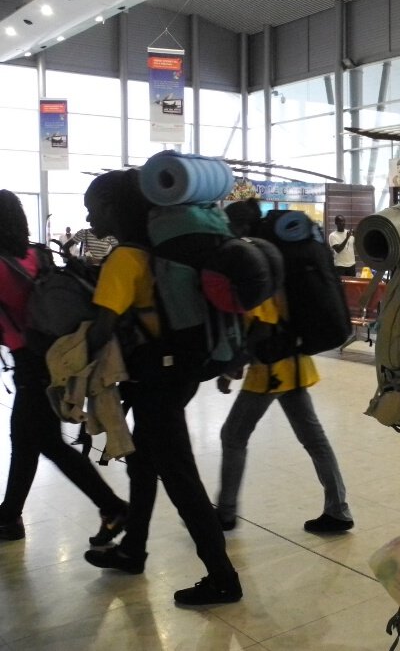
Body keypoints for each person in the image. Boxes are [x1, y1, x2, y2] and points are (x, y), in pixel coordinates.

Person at [79, 169, 243, 605]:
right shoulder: (158, 251)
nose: (89, 216)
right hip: (177, 371)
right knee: (144, 464)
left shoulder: (125, 259)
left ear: (114, 208)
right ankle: (133, 550)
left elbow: (100, 332)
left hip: (155, 381)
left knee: (180, 478)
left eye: (92, 207)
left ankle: (223, 578)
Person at [215, 200, 354, 534]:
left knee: (233, 435)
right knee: (314, 439)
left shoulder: (257, 262)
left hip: (271, 370)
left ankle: (225, 512)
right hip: (293, 362)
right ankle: (338, 509)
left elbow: (262, 325)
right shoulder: (278, 256)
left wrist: (232, 366)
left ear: (241, 229)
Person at [0, 190, 129, 543]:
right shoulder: (37, 254)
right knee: (26, 440)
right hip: (56, 355)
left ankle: (112, 506)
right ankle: (9, 516)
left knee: (46, 443)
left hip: (30, 361)